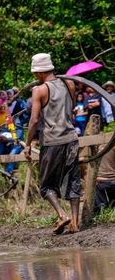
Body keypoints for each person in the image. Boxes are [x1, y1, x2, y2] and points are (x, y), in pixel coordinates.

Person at [25, 53, 81, 234]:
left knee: (47, 186)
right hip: (71, 139)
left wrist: (27, 144)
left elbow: (34, 120)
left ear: (39, 73)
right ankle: (75, 222)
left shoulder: (39, 90)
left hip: (52, 142)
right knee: (73, 181)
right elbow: (71, 108)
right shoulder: (69, 84)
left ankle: (61, 215)